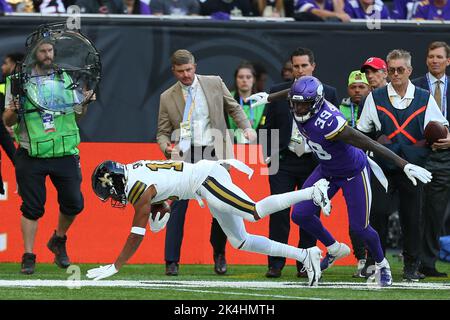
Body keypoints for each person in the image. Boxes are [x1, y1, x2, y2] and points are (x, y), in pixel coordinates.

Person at [249, 74, 437, 287]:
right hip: (327, 170)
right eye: (296, 104)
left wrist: (404, 164)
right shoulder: (301, 100)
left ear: (317, 102)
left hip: (352, 172)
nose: (299, 109)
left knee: (360, 227)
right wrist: (270, 98)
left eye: (304, 105)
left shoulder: (329, 122)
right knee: (300, 214)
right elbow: (293, 92)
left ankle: (382, 264)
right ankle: (334, 248)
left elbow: (368, 142)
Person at [87, 158, 331, 286]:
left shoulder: (137, 188)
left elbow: (136, 234)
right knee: (241, 240)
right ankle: (304, 255)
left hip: (206, 179)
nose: (114, 198)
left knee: (253, 211)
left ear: (115, 182)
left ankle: (312, 192)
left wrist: (116, 265)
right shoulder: (134, 170)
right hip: (199, 184)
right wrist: (167, 203)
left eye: (110, 192)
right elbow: (169, 182)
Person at [157, 49, 256, 276]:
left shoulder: (213, 83)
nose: (186, 75)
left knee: (222, 206)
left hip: (215, 152)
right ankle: (171, 261)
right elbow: (162, 133)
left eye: (189, 70)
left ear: (195, 66)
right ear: (174, 71)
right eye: (181, 71)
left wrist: (246, 128)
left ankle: (219, 254)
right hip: (185, 156)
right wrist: (166, 147)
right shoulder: (166, 97)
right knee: (177, 209)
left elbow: (234, 107)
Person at [2, 40, 94, 275]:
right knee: (32, 207)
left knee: (75, 203)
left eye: (50, 50)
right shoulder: (17, 81)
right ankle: (29, 255)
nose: (47, 55)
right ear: (34, 54)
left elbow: (77, 116)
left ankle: (58, 239)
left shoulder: (66, 78)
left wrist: (84, 103)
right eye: (42, 51)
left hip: (65, 151)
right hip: (30, 153)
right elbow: (8, 122)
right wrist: (13, 110)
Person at [357, 49, 449, 281]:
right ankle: (373, 262)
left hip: (414, 168)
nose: (396, 74)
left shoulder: (424, 97)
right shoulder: (374, 98)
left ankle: (411, 266)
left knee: (412, 218)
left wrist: (445, 136)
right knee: (376, 214)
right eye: (391, 70)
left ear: (409, 71)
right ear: (386, 71)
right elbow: (362, 131)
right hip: (382, 168)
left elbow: (441, 126)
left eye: (400, 70)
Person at [260, 47, 337, 278]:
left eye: (304, 65)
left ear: (313, 66)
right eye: (296, 66)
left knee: (308, 213)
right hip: (283, 162)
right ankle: (275, 263)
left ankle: (305, 263)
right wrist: (268, 155)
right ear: (291, 68)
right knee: (279, 213)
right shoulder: (277, 92)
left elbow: (335, 129)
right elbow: (266, 127)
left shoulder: (329, 93)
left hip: (314, 163)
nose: (300, 70)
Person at [412, 41, 450, 277]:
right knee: (414, 210)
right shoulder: (414, 86)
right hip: (419, 154)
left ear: (448, 60)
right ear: (426, 60)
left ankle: (428, 262)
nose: (434, 60)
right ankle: (412, 260)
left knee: (436, 212)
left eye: (439, 57)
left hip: (446, 156)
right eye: (430, 56)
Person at [339, 70, 371, 277]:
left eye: (362, 86)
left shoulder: (374, 105)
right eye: (354, 87)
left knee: (371, 215)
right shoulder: (340, 107)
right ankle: (360, 257)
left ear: (369, 88)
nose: (357, 90)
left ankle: (374, 258)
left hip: (371, 164)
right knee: (354, 214)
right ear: (348, 88)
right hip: (345, 165)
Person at [227, 61, 266, 144]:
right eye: (241, 77)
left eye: (248, 77)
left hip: (256, 147)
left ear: (254, 79)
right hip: (231, 147)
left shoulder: (262, 101)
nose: (244, 80)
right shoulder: (227, 99)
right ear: (236, 79)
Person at [1, 52, 23, 165]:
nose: (2, 67)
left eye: (6, 63)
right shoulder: (3, 86)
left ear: (15, 64)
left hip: (26, 144)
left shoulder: (30, 87)